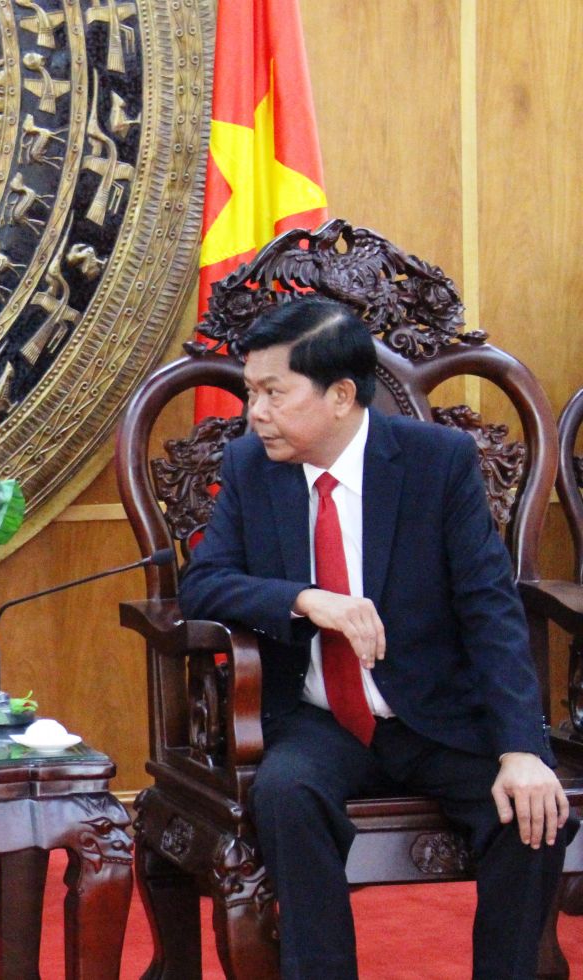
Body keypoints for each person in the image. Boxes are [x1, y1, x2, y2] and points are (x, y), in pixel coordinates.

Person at [179, 296, 573, 978]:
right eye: (251, 392)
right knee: (285, 793)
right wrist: (305, 599)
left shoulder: (436, 462)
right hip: (319, 717)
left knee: (531, 813)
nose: (255, 413)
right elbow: (203, 584)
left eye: (274, 392)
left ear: (339, 395)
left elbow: (490, 608)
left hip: (433, 715)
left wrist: (521, 747)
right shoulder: (251, 466)